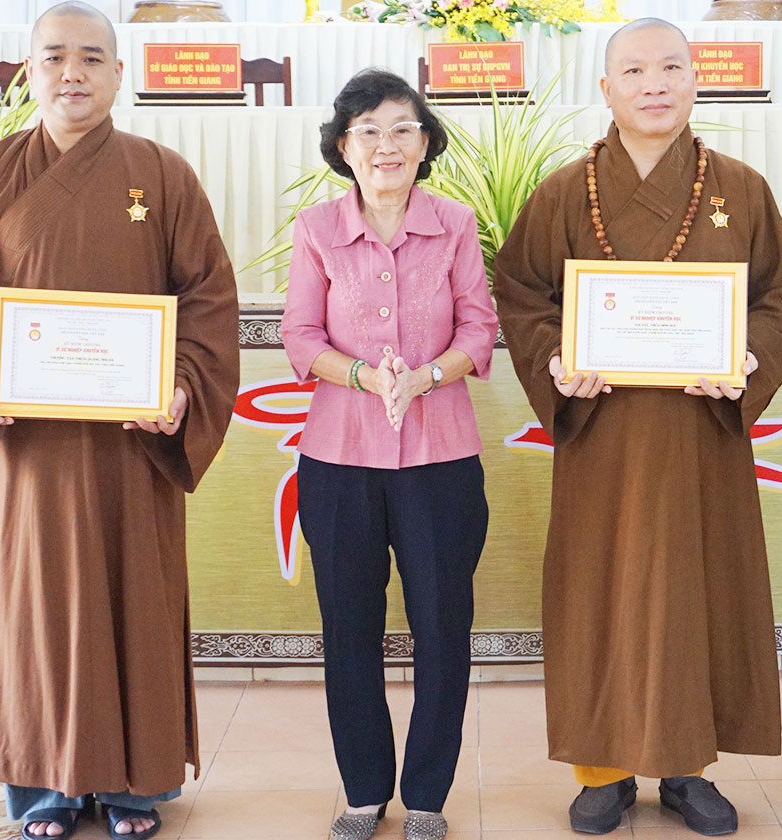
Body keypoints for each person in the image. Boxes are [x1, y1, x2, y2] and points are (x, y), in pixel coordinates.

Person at [0, 4, 240, 839]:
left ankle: (132, 786)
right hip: (31, 445)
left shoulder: (160, 174)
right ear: (29, 70)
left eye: (92, 57)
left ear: (120, 73)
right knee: (37, 606)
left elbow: (207, 299)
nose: (73, 72)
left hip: (134, 443)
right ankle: (45, 786)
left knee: (136, 600)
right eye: (54, 57)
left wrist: (183, 389)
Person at [493, 18, 782, 837]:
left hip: (702, 432)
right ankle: (603, 769)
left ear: (696, 80)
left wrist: (745, 359)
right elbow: (523, 294)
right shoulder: (568, 190)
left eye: (671, 66)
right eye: (633, 70)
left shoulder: (738, 188)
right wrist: (556, 361)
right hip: (603, 433)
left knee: (695, 593)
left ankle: (685, 766)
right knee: (603, 591)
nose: (654, 83)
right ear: (606, 89)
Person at [280, 68, 497, 840]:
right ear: (344, 146)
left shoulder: (456, 223)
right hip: (340, 457)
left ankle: (429, 794)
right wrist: (369, 378)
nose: (386, 144)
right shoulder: (317, 230)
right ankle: (365, 789)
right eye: (368, 130)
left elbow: (479, 327)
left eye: (404, 128)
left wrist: (432, 375)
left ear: (426, 142)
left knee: (444, 623)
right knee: (349, 625)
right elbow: (300, 337)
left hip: (441, 456)